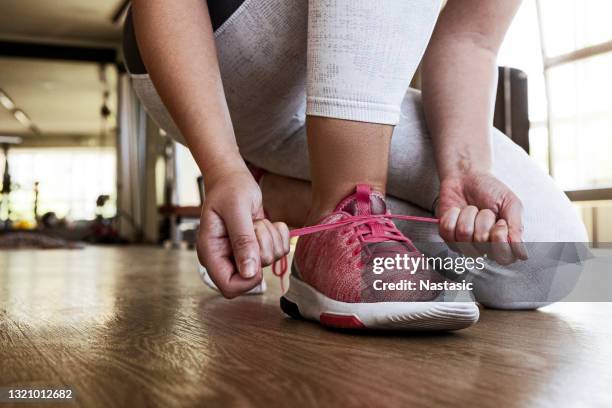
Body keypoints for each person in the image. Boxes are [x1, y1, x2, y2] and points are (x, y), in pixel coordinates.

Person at [125, 0, 587, 330]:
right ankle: (345, 209)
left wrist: (464, 170)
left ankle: (296, 204)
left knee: (548, 256)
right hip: (221, 68)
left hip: (353, 84)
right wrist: (223, 166)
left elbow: (469, 39)